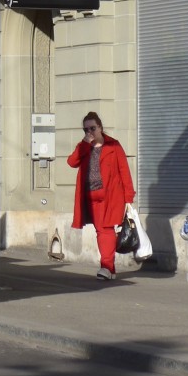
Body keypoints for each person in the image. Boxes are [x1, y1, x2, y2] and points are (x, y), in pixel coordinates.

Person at [67, 111, 135, 281]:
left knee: (107, 230)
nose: (89, 132)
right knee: (100, 231)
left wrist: (128, 198)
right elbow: (71, 162)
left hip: (111, 196)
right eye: (85, 130)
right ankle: (109, 269)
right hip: (91, 196)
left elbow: (124, 172)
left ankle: (106, 267)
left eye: (92, 128)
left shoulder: (114, 146)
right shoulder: (84, 147)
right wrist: (84, 143)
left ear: (100, 127)